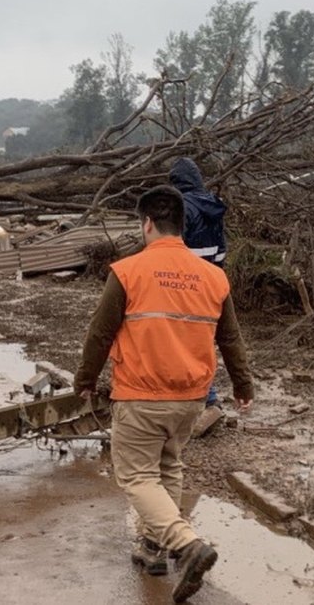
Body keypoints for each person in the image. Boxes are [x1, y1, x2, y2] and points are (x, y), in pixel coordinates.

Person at [73, 185, 254, 603]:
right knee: (168, 466)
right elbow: (231, 338)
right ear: (183, 226)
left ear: (147, 223)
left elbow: (100, 334)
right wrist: (243, 385)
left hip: (141, 394)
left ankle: (186, 545)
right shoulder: (213, 276)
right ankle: (153, 549)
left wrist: (84, 379)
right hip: (190, 398)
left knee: (136, 475)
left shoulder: (128, 271)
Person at [169, 157, 228, 409]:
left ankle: (197, 395)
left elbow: (172, 248)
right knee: (204, 338)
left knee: (178, 339)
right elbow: (222, 249)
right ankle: (208, 394)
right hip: (209, 279)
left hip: (181, 283)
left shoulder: (181, 208)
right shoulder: (213, 206)